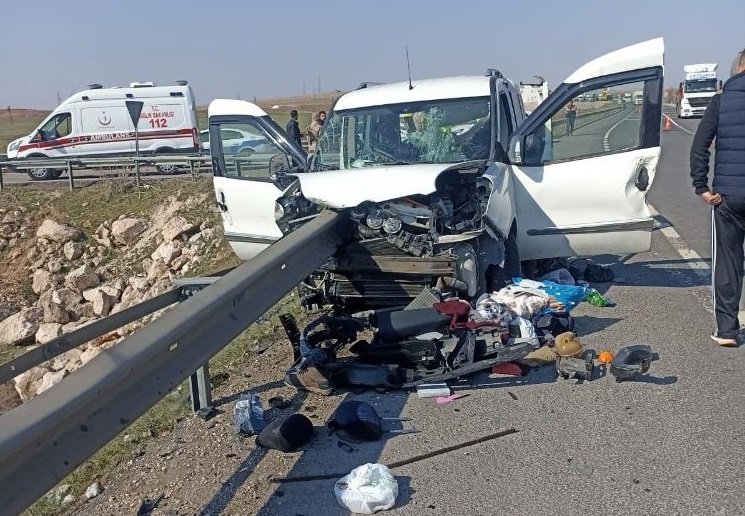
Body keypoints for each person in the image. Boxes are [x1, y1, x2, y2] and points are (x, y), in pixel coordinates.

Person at [690, 48, 745, 347]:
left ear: (739, 67)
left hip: (728, 197)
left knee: (728, 262)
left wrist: (702, 187)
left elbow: (700, 146)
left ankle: (727, 331)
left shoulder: (721, 101)